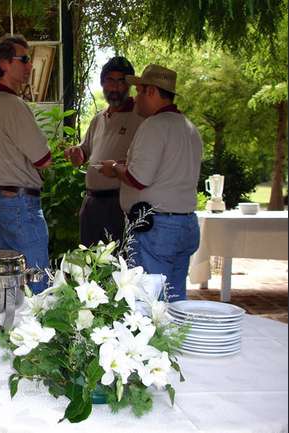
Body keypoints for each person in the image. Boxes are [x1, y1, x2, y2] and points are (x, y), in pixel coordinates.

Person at [101, 64, 203, 301]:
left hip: (157, 227)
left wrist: (114, 169)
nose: (135, 97)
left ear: (152, 92)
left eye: (139, 90)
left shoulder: (154, 125)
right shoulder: (189, 128)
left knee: (149, 301)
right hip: (185, 222)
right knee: (175, 300)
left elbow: (139, 178)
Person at [0, 34, 52, 294]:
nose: (30, 65)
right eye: (24, 59)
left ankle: (11, 332)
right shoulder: (13, 105)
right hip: (20, 205)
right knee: (38, 284)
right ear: (5, 64)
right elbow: (43, 159)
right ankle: (40, 334)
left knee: (8, 286)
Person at [64, 56, 144, 247]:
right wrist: (77, 153)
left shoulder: (141, 118)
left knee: (116, 265)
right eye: (110, 80)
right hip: (91, 203)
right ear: (102, 83)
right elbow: (84, 151)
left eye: (121, 81)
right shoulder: (98, 119)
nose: (115, 88)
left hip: (119, 203)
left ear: (129, 85)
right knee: (89, 262)